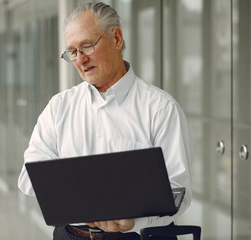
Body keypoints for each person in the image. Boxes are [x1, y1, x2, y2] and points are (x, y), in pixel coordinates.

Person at [18, 2, 192, 240]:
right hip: (71, 235)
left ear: (117, 38)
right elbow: (28, 177)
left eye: (87, 46)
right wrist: (72, 195)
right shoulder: (59, 108)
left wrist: (134, 221)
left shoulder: (160, 109)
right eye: (72, 52)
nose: (80, 59)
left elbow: (178, 193)